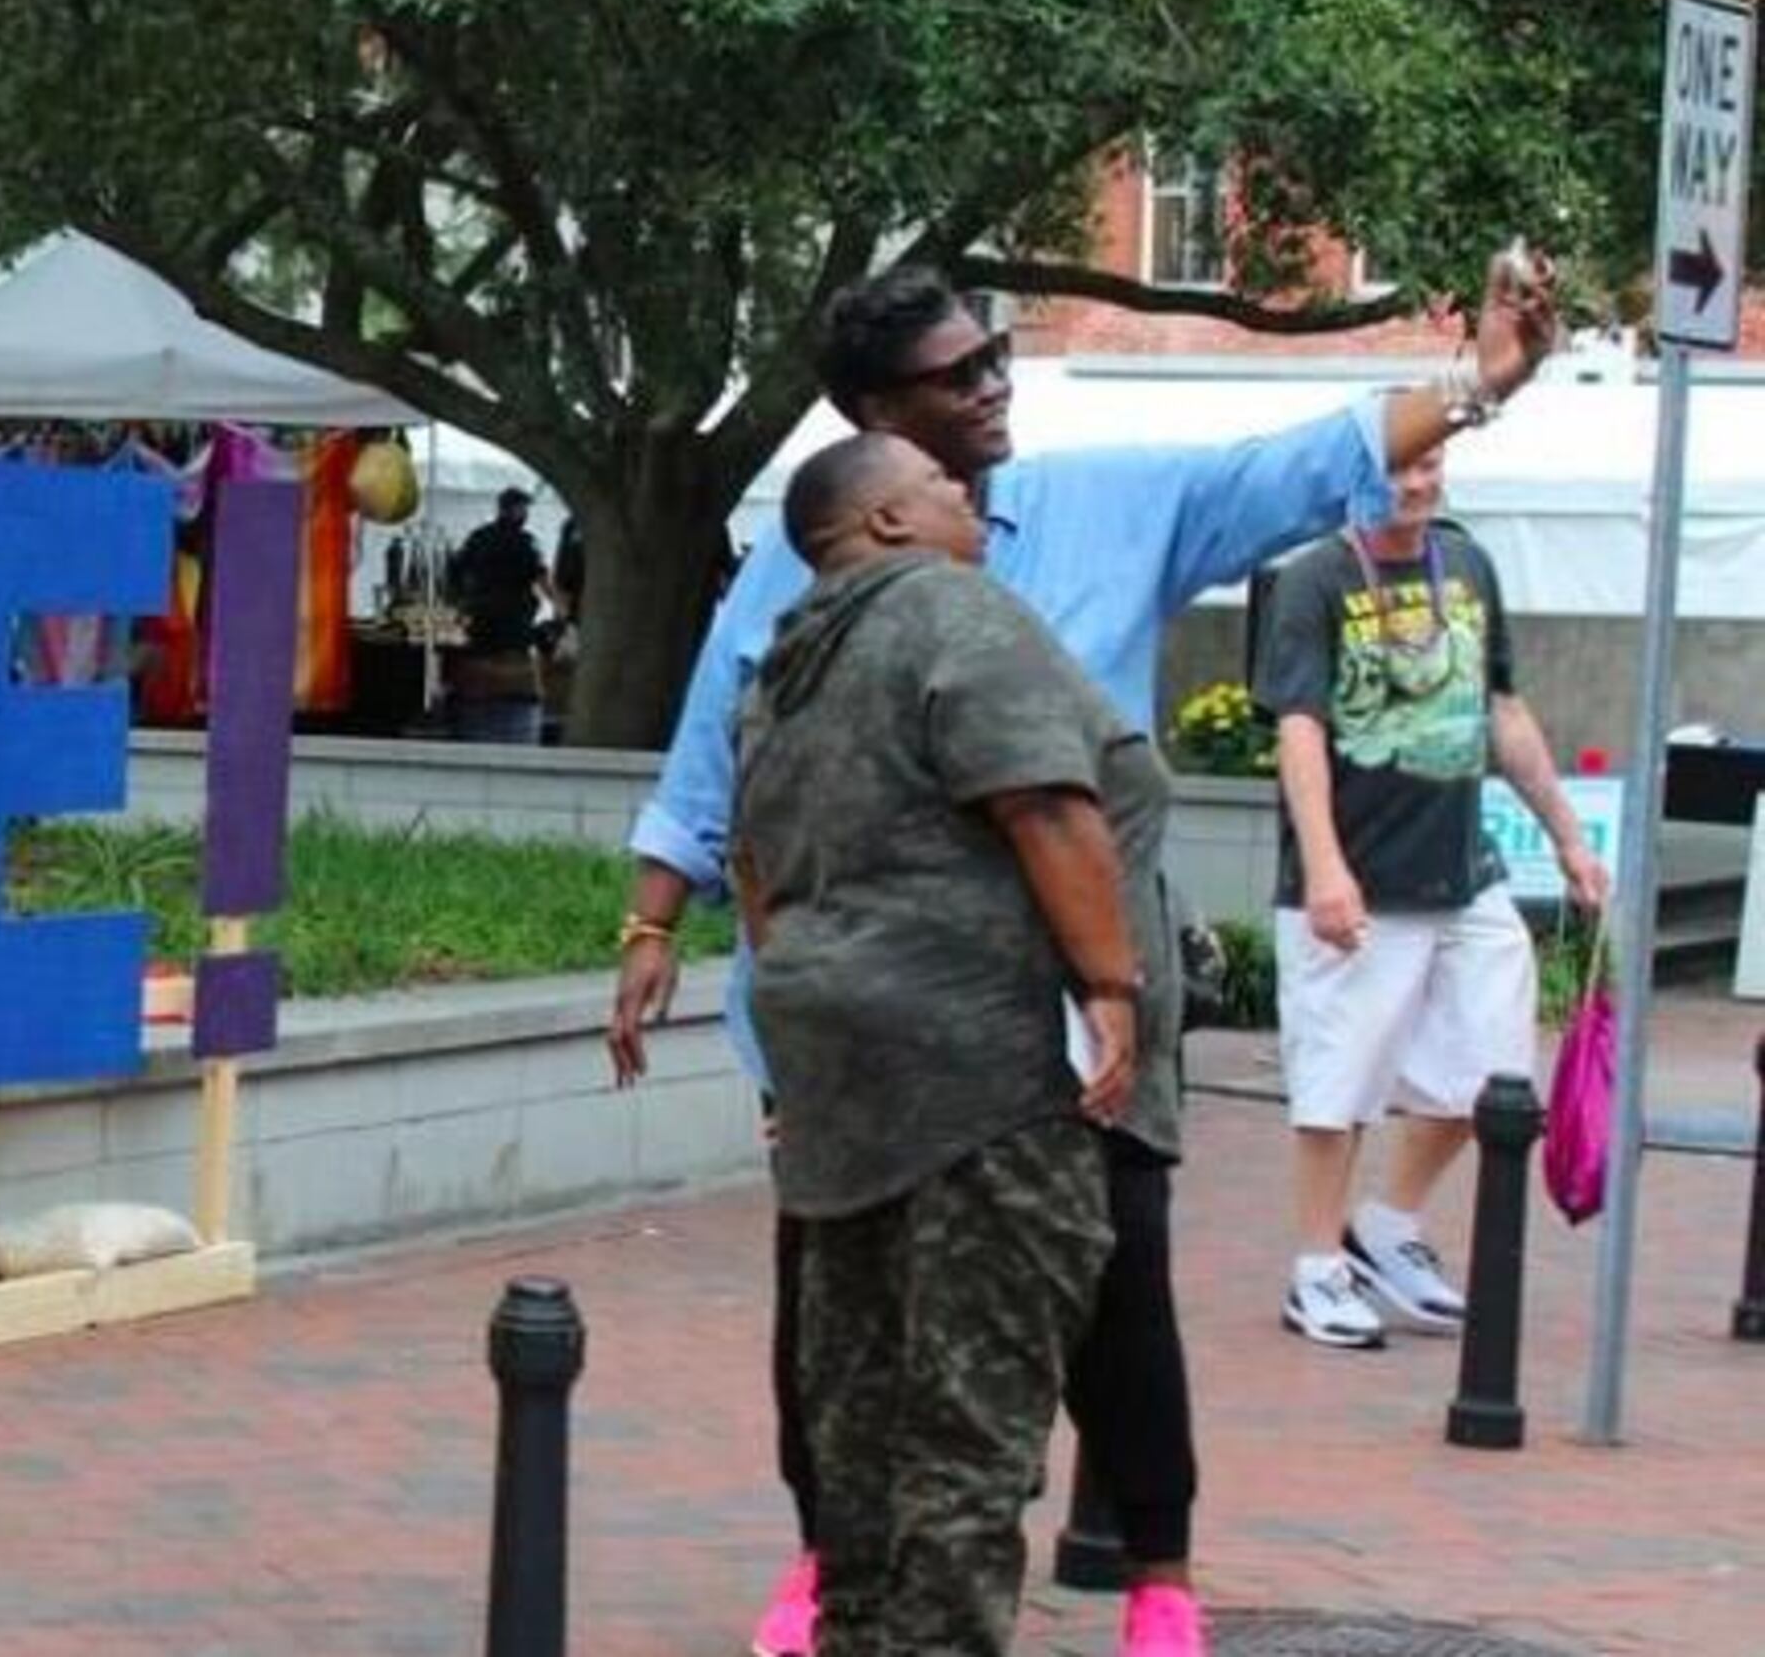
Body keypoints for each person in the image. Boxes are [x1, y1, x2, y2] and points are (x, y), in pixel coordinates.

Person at [607, 251, 1561, 1657]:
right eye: (958, 375)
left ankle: (1155, 1577)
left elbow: (1291, 470)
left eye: (994, 357)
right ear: (875, 423)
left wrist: (1476, 385)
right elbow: (721, 758)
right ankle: (838, 1561)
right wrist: (654, 922)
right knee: (840, 1306)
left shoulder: (1096, 509)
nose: (995, 387)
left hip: (1057, 1018)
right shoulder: (806, 563)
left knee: (1119, 1287)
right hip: (869, 1028)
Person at [736, 433, 1153, 1657]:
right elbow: (1044, 801)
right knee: (970, 1428)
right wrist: (1112, 987)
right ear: (884, 524)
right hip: (982, 1079)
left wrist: (811, 1019)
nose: (966, 496)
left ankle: (858, 1634)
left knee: (856, 1417)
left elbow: (755, 869)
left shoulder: (784, 670)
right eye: (938, 484)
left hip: (838, 1079)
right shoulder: (953, 610)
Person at [1252, 449, 1606, 1347]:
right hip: (1359, 878)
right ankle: (1316, 1269)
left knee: (1492, 1075)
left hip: (1464, 873)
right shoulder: (1315, 579)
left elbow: (1501, 708)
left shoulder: (1467, 561)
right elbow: (1300, 729)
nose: (1415, 485)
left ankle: (1387, 1227)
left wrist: (1567, 834)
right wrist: (1324, 867)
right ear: (1355, 476)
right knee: (1336, 1086)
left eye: (1429, 465)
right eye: (1396, 469)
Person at [450, 487, 554, 651]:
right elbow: (542, 579)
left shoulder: (479, 536)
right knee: (511, 661)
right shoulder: (526, 542)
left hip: (481, 620)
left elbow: (455, 568)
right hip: (513, 622)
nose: (525, 514)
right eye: (522, 508)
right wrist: (559, 607)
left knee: (479, 658)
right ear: (508, 509)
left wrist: (460, 604)